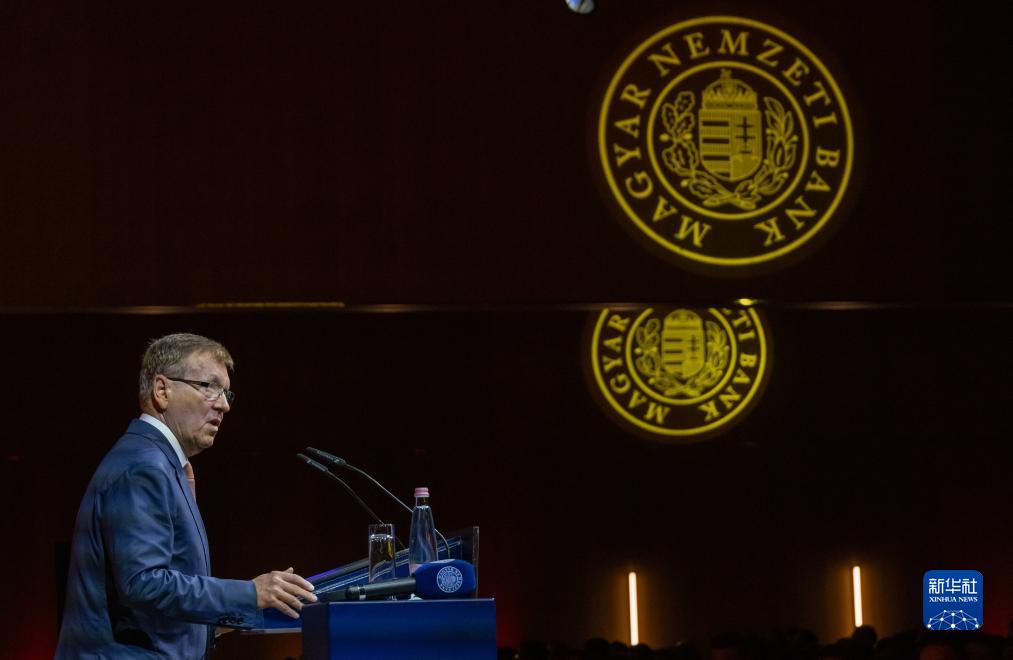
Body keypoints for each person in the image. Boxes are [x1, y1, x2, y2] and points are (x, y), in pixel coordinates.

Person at [56, 333, 317, 658]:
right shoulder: (143, 466)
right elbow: (144, 584)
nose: (223, 404)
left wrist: (227, 616)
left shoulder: (158, 462)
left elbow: (152, 608)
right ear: (162, 390)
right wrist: (249, 593)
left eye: (226, 392)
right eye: (209, 387)